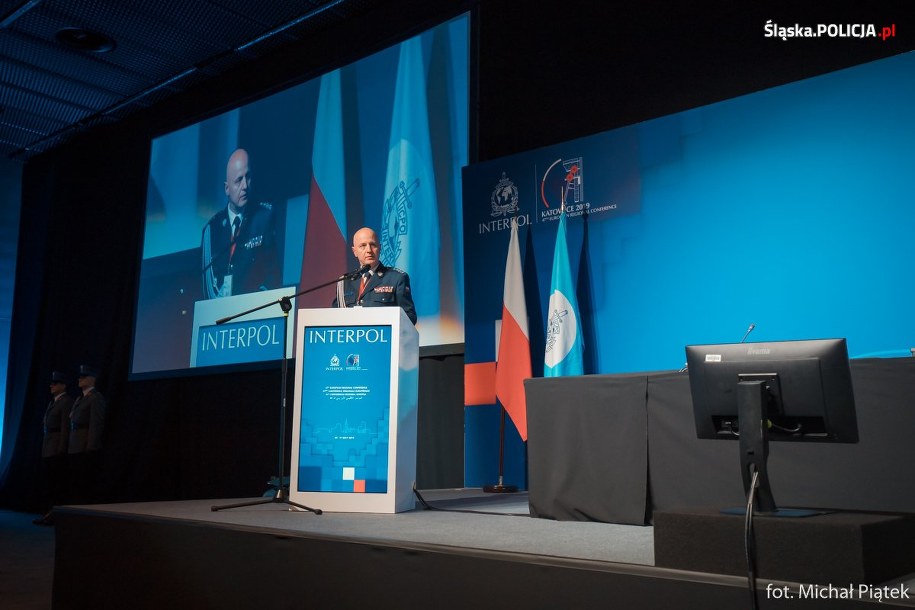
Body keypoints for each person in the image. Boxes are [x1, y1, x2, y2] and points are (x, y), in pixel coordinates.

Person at [201, 148, 278, 299]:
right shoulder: (212, 229)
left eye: (248, 177)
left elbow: (272, 272)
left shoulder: (264, 217)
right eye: (238, 180)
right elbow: (206, 287)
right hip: (220, 309)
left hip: (254, 306)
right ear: (227, 188)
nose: (245, 186)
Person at [331, 227, 417, 324]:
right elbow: (334, 319)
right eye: (363, 246)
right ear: (355, 251)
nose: (368, 250)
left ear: (380, 248)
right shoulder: (344, 282)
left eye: (373, 245)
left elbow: (409, 317)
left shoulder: (396, 278)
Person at [33, 371, 73, 525]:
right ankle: (48, 513)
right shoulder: (54, 402)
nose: (51, 385)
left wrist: (61, 447)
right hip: (48, 445)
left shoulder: (66, 401)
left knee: (55, 483)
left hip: (56, 447)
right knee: (49, 482)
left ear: (63, 385)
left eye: (55, 383)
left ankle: (54, 515)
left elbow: (65, 427)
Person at [68, 365, 107, 504]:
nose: (79, 379)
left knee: (83, 482)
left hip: (84, 445)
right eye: (80, 377)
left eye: (83, 377)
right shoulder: (80, 398)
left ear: (92, 379)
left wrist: (91, 446)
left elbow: (96, 423)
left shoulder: (95, 397)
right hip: (75, 444)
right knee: (74, 480)